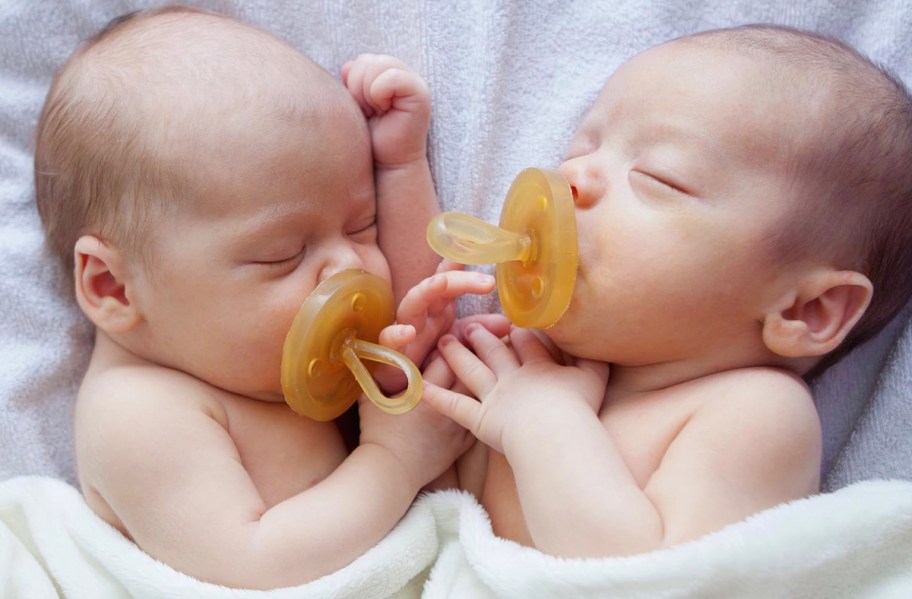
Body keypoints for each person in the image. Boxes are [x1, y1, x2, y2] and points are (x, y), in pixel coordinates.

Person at [33, 5, 501, 590]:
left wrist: (399, 165)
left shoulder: (268, 357)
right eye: (282, 254)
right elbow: (251, 561)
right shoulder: (138, 414)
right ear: (113, 286)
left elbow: (417, 312)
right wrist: (394, 461)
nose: (353, 266)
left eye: (362, 225)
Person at [421, 24, 912, 559]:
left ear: (805, 309)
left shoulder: (755, 413)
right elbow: (441, 528)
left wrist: (541, 424)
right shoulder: (536, 373)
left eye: (660, 177)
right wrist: (414, 393)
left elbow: (660, 579)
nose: (569, 178)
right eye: (580, 149)